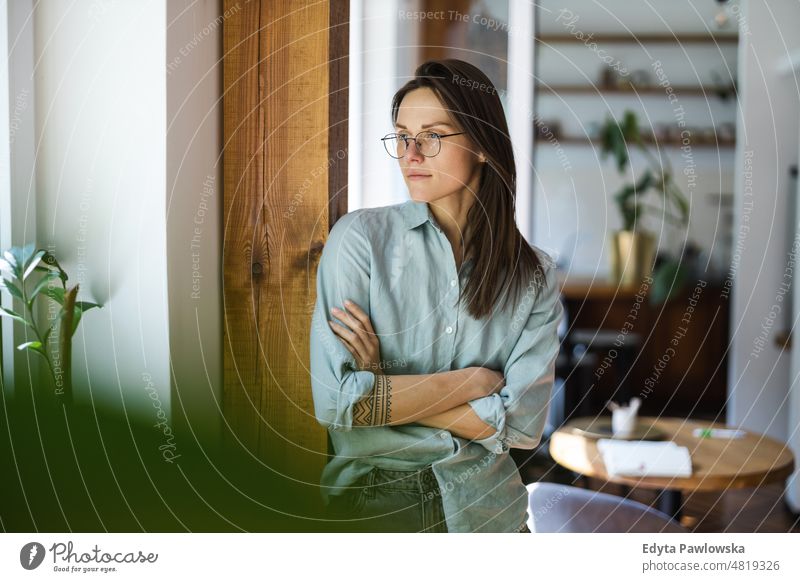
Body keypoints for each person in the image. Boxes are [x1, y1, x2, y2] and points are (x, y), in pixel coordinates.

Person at [309, 58, 563, 533]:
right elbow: (339, 404)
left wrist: (379, 383)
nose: (411, 153)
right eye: (402, 135)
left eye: (432, 135)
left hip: (491, 510)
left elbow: (523, 427)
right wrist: (471, 383)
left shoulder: (534, 275)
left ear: (483, 145)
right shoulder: (360, 241)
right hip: (378, 501)